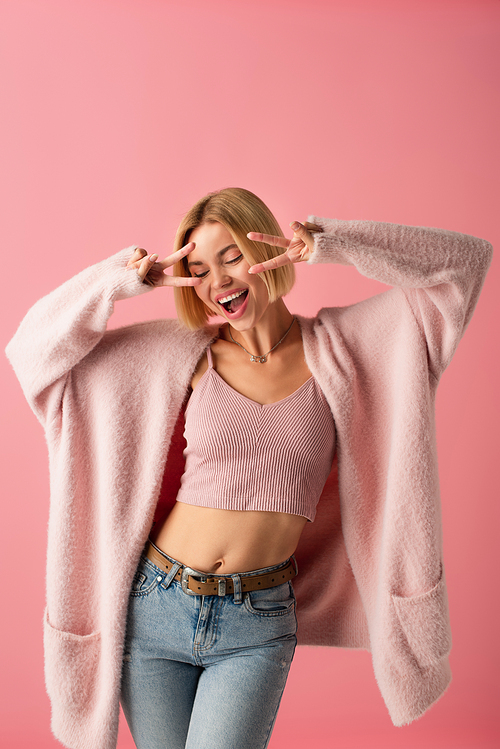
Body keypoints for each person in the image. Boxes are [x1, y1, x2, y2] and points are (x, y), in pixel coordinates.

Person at [5, 187, 492, 749]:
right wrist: (119, 281)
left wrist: (336, 244)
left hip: (255, 623)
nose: (218, 281)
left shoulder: (348, 347)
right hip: (156, 604)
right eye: (198, 268)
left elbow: (465, 264)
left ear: (268, 248)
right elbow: (31, 352)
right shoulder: (184, 354)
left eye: (231, 255)